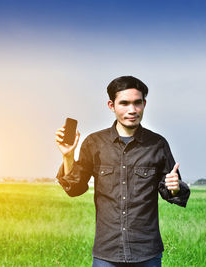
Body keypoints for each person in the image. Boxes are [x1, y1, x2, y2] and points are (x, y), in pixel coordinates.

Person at [55, 76, 190, 267]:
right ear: (111, 105)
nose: (132, 110)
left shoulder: (157, 144)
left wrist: (175, 188)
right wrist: (68, 157)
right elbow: (74, 189)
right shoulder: (94, 143)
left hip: (147, 252)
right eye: (124, 103)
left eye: (137, 103)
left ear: (144, 103)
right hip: (107, 253)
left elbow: (171, 192)